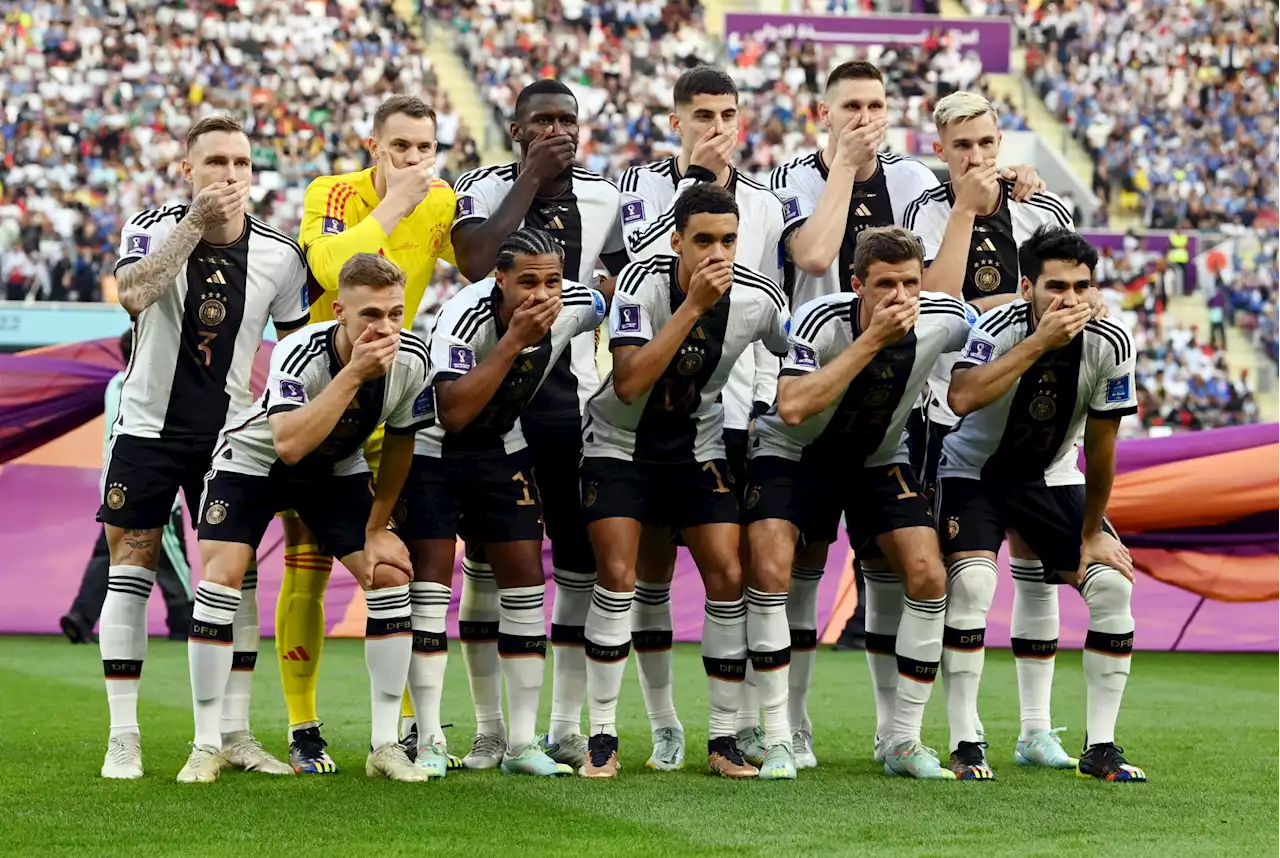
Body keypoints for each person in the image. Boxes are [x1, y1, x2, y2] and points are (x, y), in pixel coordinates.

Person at [770, 66, 1042, 768]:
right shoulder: (790, 177)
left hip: (900, 410)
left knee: (903, 572)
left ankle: (899, 735)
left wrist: (1006, 187)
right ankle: (789, 727)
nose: (865, 116)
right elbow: (817, 255)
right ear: (822, 112)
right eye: (850, 106)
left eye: (877, 105)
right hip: (814, 388)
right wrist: (846, 169)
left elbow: (946, 282)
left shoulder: (920, 182)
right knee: (795, 565)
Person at [97, 115, 310, 780]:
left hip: (231, 443)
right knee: (129, 569)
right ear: (186, 170)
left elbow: (298, 351)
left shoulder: (280, 255)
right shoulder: (153, 226)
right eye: (214, 161)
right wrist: (192, 225)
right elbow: (132, 295)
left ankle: (233, 733)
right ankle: (123, 736)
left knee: (235, 581)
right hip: (146, 431)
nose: (229, 174)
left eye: (241, 163)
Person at [182, 253, 434, 783]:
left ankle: (385, 745)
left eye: (395, 313)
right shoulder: (300, 351)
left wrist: (376, 528)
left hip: (336, 471)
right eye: (370, 315)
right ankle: (206, 745)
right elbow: (289, 444)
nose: (384, 328)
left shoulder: (413, 360)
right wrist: (355, 374)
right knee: (221, 580)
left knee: (389, 573)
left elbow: (402, 447)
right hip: (254, 463)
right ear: (339, 311)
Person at [577, 183, 789, 780]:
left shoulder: (758, 297)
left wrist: (773, 407)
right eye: (703, 240)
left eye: (727, 240)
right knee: (622, 578)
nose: (717, 252)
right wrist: (693, 306)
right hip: (619, 448)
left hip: (700, 449)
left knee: (727, 572)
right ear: (676, 241)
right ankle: (604, 735)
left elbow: (796, 350)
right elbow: (627, 382)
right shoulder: (639, 285)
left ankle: (722, 739)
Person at [903, 91, 1086, 778]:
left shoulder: (1044, 208)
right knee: (966, 582)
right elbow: (934, 304)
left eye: (985, 143)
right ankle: (959, 732)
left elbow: (1069, 293)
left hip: (1037, 414)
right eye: (961, 147)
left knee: (1038, 575)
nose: (976, 158)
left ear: (1000, 139)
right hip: (956, 416)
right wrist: (964, 212)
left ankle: (1036, 731)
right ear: (941, 149)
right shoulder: (927, 208)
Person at [745, 227, 971, 780]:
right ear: (856, 286)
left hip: (877, 457)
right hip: (794, 454)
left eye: (910, 283)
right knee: (777, 571)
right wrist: (871, 341)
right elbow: (793, 406)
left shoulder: (944, 319)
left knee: (927, 575)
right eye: (885, 284)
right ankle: (780, 733)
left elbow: (990, 333)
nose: (900, 296)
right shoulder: (822, 320)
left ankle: (901, 740)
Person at [449, 79, 628, 770]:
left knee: (578, 563)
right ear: (517, 129)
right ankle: (491, 729)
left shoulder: (605, 197)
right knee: (490, 562)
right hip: (492, 407)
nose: (558, 130)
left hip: (570, 407)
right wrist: (528, 179)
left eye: (568, 120)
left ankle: (563, 726)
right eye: (542, 121)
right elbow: (472, 262)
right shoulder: (483, 185)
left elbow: (624, 284)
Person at [278, 95, 457, 774]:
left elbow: (476, 263)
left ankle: (405, 730)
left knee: (397, 556)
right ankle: (303, 727)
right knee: (308, 557)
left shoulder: (442, 203)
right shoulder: (333, 192)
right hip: (323, 389)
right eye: (401, 147)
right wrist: (395, 206)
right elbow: (329, 269)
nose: (414, 160)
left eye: (424, 149)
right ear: (373, 146)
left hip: (392, 394)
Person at [617, 64, 785, 770]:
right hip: (656, 411)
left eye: (728, 114)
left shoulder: (768, 204)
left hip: (740, 406)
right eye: (704, 115)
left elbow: (773, 304)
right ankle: (663, 723)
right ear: (677, 121)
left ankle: (743, 724)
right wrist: (692, 185)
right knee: (652, 570)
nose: (718, 127)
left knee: (739, 567)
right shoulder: (636, 189)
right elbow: (634, 265)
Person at [940, 226, 1147, 783]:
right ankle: (966, 741)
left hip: (1053, 476)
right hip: (973, 472)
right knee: (974, 587)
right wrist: (1039, 343)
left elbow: (1102, 451)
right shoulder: (997, 327)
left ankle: (1096, 745)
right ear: (1027, 286)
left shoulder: (1112, 342)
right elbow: (960, 397)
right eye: (1056, 287)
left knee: (1111, 585)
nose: (1070, 300)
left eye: (1082, 287)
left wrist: (1093, 531)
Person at [400, 227, 605, 776]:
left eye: (552, 281)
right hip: (433, 450)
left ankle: (518, 744)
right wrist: (514, 340)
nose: (542, 295)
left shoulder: (576, 302)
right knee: (429, 592)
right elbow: (453, 411)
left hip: (501, 447)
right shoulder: (463, 315)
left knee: (523, 580)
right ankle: (429, 742)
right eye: (528, 282)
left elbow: (609, 297)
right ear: (500, 278)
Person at [64, 332, 194, 646]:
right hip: (152, 483)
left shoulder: (115, 385)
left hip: (112, 482)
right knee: (171, 553)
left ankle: (81, 616)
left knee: (108, 553)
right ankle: (185, 617)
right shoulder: (154, 387)